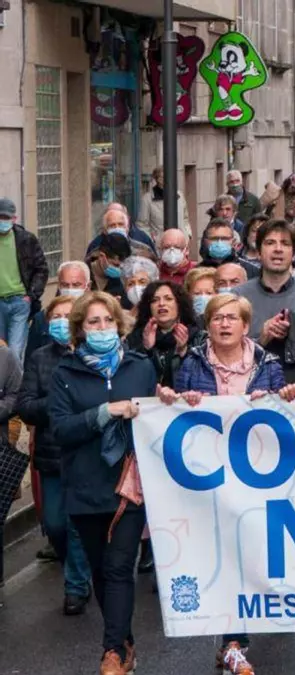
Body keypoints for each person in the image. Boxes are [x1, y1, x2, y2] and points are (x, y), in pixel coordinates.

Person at [158, 293, 285, 675]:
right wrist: (180, 400)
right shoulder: (192, 363)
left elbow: (284, 414)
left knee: (252, 554)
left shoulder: (269, 364)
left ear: (246, 326)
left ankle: (242, 633)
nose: (224, 324)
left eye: (232, 318)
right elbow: (176, 411)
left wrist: (279, 399)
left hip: (257, 475)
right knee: (225, 554)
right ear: (208, 325)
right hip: (211, 478)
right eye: (217, 318)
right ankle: (234, 642)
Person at [47, 291, 157, 675]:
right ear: (80, 329)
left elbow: (159, 415)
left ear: (119, 323)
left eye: (108, 320)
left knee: (118, 567)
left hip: (129, 487)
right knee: (99, 569)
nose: (102, 327)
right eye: (93, 322)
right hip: (85, 486)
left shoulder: (141, 367)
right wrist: (105, 412)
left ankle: (112, 652)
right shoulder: (64, 374)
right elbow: (61, 429)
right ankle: (124, 642)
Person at [16, 295, 93, 616]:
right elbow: (25, 406)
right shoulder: (39, 358)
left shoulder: (90, 355)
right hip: (51, 456)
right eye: (55, 316)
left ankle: (76, 585)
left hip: (85, 454)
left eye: (67, 315)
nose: (61, 321)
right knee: (55, 524)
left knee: (77, 524)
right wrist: (57, 402)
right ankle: (75, 568)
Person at [0, 197, 49, 366]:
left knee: (15, 351)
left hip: (19, 301)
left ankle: (15, 382)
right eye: (0, 217)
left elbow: (41, 269)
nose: (3, 221)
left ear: (14, 219)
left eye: (6, 218)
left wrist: (31, 295)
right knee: (1, 350)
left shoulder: (26, 239)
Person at [136, 166, 190, 240]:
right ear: (157, 179)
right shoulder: (147, 199)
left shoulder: (179, 196)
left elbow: (185, 218)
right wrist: (153, 240)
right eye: (163, 177)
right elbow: (142, 225)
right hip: (160, 244)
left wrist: (188, 234)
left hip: (181, 242)